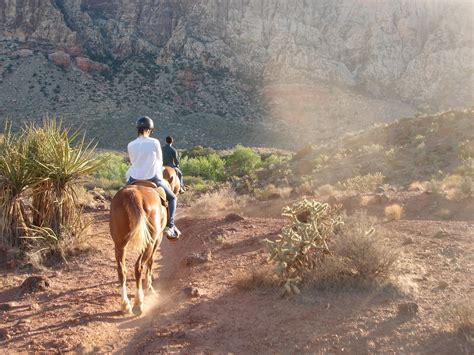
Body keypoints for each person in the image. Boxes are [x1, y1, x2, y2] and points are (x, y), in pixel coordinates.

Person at [125, 116, 180, 240]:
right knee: (172, 198)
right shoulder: (154, 142)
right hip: (152, 178)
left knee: (120, 197)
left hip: (133, 178)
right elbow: (160, 161)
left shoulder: (130, 144)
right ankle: (170, 226)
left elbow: (133, 161)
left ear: (138, 129)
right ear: (150, 130)